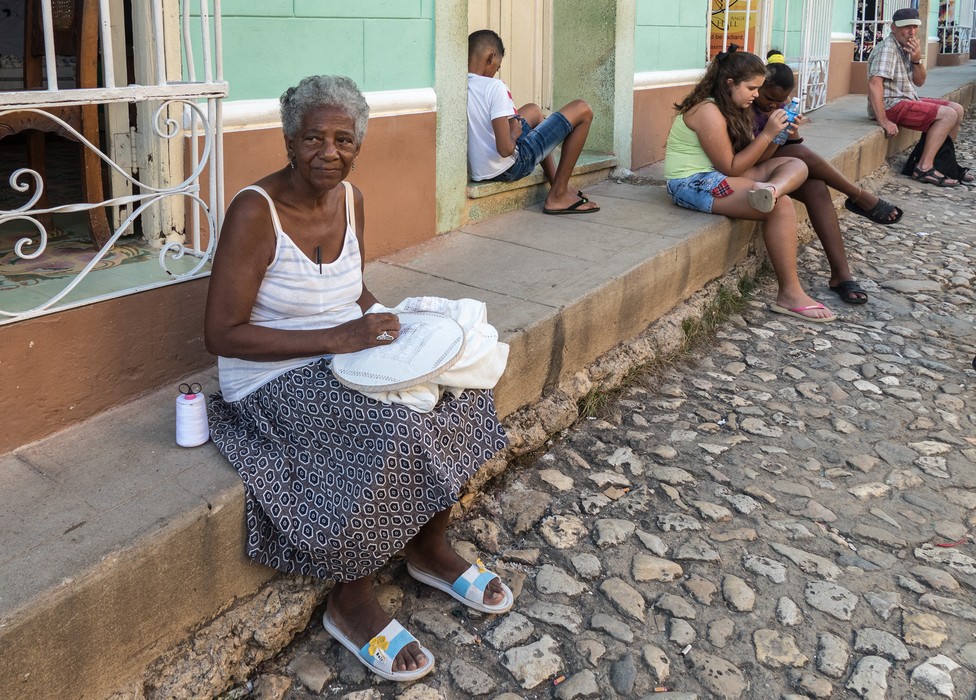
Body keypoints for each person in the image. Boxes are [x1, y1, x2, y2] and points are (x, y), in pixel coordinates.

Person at [204, 75, 512, 683]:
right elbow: (221, 334)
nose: (329, 151)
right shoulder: (254, 211)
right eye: (313, 137)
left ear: (358, 146)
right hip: (270, 374)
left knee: (461, 392)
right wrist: (337, 339)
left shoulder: (352, 199)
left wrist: (393, 323)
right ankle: (351, 594)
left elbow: (352, 291)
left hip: (342, 354)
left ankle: (428, 548)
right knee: (393, 430)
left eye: (344, 139)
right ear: (289, 140)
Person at [663, 46, 835, 323]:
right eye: (752, 88)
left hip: (721, 176)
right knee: (782, 207)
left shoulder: (732, 105)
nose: (757, 95)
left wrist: (779, 136)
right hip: (692, 182)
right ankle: (790, 295)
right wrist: (767, 134)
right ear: (730, 84)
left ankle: (773, 189)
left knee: (796, 164)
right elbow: (730, 166)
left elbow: (756, 158)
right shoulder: (707, 110)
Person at [753, 50, 904, 305]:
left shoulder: (774, 107)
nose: (774, 105)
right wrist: (770, 132)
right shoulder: (746, 105)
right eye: (769, 98)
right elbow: (750, 154)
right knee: (801, 154)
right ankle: (859, 196)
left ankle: (841, 275)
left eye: (780, 101)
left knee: (815, 186)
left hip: (773, 165)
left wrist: (790, 130)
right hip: (746, 168)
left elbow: (789, 145)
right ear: (758, 87)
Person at [467, 29, 599, 214]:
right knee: (582, 109)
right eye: (497, 67)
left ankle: (557, 184)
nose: (496, 72)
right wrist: (514, 133)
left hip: (481, 170)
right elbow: (505, 150)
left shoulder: (461, 85)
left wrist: (513, 127)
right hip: (510, 166)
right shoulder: (494, 87)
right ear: (491, 58)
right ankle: (559, 196)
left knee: (534, 111)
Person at [867, 7, 973, 187]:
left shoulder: (906, 47)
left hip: (907, 99)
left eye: (914, 27)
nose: (911, 31)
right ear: (893, 28)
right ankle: (924, 167)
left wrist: (916, 60)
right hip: (891, 104)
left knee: (957, 109)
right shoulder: (888, 49)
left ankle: (943, 163)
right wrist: (883, 120)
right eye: (906, 27)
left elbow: (920, 81)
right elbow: (874, 83)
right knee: (947, 114)